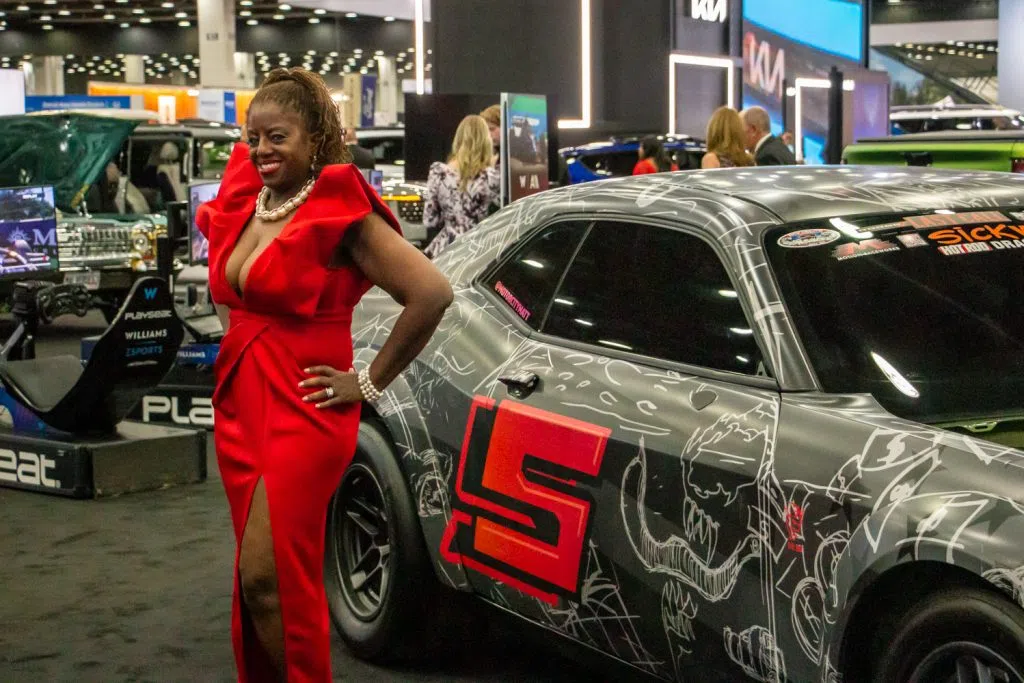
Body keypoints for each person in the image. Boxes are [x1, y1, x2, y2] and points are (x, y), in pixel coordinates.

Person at [195, 67, 453, 683]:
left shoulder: (340, 208)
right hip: (242, 404)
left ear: (315, 139)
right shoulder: (248, 201)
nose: (262, 150)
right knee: (259, 580)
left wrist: (367, 382)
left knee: (269, 576)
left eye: (278, 137)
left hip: (305, 408)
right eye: (254, 138)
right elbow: (232, 293)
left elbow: (431, 293)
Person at [422, 114, 500, 259]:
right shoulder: (493, 177)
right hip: (480, 250)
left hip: (446, 249)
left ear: (458, 139)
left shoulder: (439, 172)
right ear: (486, 141)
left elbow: (430, 220)